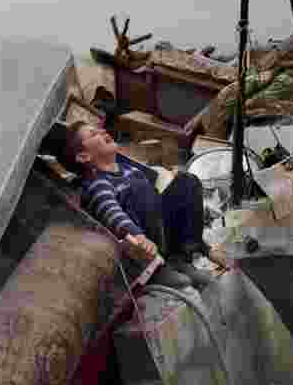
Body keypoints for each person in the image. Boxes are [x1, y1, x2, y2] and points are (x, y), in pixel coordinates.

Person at [62, 121, 213, 290]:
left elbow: (156, 204)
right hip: (140, 250)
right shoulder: (97, 184)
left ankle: (181, 256)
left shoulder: (131, 170)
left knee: (186, 181)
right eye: (93, 133)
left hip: (158, 237)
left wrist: (206, 249)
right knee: (135, 194)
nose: (102, 131)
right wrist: (136, 235)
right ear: (84, 156)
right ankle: (156, 270)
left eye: (100, 128)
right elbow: (112, 212)